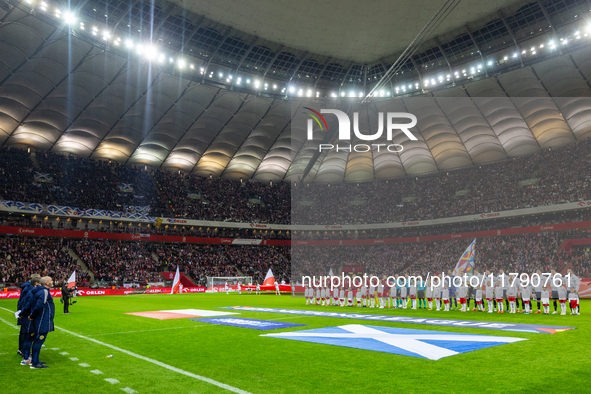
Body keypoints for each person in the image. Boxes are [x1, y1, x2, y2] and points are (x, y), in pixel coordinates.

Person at [26, 276, 55, 369]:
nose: (52, 281)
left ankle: (36, 361)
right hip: (42, 320)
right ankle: (35, 363)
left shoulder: (40, 291)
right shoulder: (44, 291)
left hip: (40, 320)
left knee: (37, 340)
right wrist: (32, 315)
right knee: (39, 340)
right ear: (46, 283)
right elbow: (39, 306)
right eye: (50, 280)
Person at [16, 274, 40, 356]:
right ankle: (24, 351)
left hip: (23, 311)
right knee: (26, 333)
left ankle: (21, 349)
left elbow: (22, 301)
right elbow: (27, 303)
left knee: (24, 332)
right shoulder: (30, 290)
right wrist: (23, 312)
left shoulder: (26, 288)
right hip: (26, 313)